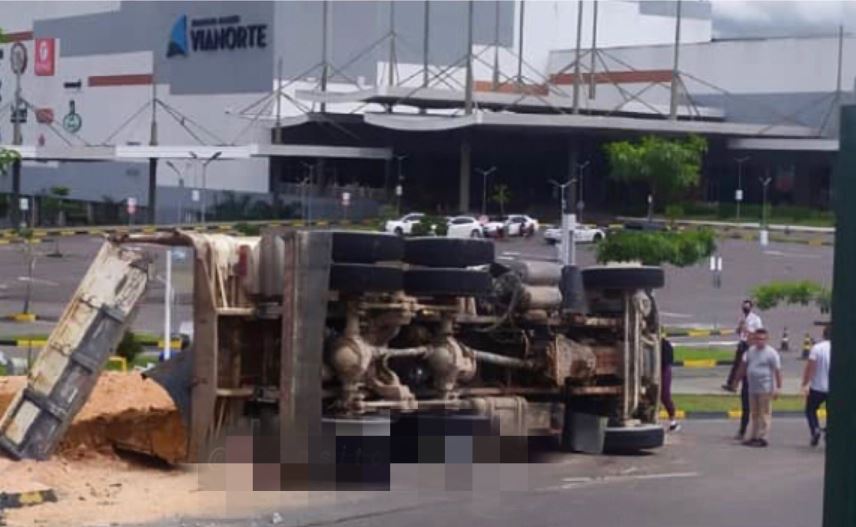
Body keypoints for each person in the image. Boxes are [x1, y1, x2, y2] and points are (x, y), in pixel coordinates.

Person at [731, 328, 782, 447]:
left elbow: (777, 371)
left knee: (764, 413)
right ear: (754, 339)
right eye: (758, 339)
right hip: (752, 387)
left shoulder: (771, 353)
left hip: (765, 388)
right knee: (754, 414)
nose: (760, 341)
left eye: (762, 339)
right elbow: (743, 367)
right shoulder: (750, 351)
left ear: (767, 340)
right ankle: (753, 436)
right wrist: (736, 381)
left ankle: (763, 437)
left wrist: (778, 387)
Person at [723, 299, 763, 392]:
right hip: (742, 343)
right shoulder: (743, 318)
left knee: (746, 366)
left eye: (747, 306)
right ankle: (731, 384)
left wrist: (747, 330)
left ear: (751, 307)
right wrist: (739, 327)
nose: (745, 308)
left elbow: (759, 333)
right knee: (736, 364)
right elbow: (739, 332)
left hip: (749, 344)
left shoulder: (755, 319)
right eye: (744, 306)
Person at [802, 325, 831, 447]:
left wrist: (805, 383)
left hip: (817, 387)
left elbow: (810, 367)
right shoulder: (841, 348)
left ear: (824, 334)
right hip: (833, 388)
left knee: (811, 410)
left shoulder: (817, 348)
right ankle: (829, 433)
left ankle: (815, 429)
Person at [660, 337, 681, 432]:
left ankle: (673, 422)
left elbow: (668, 361)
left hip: (663, 370)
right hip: (660, 370)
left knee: (665, 395)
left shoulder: (664, 344)